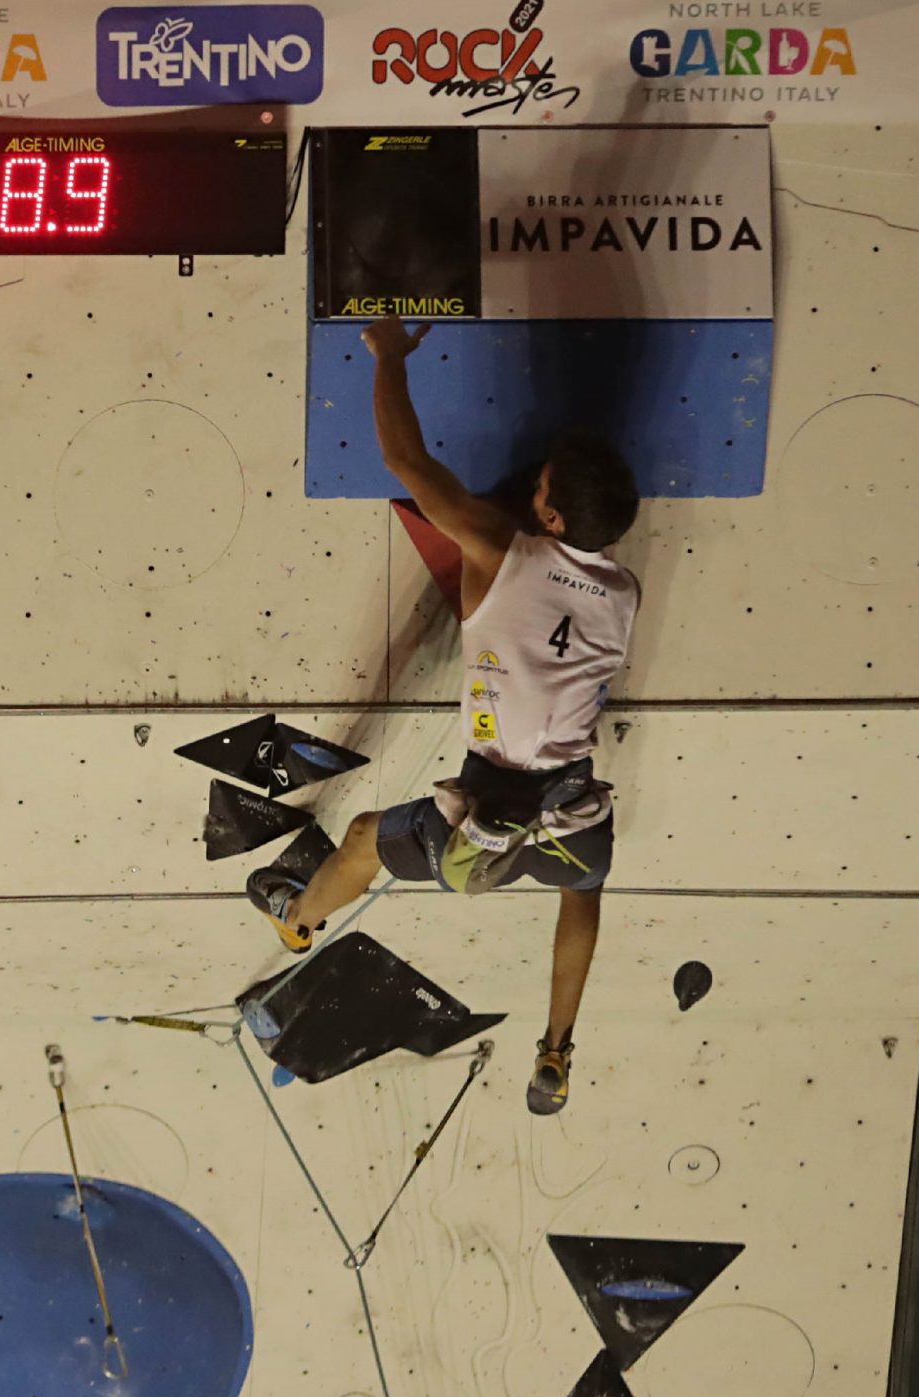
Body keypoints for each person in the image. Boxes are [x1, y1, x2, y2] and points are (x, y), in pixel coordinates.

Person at [249, 317, 641, 1117]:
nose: (533, 489)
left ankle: (297, 917)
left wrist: (390, 356)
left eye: (542, 488)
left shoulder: (503, 549)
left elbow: (406, 462)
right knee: (583, 890)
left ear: (553, 521)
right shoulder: (623, 592)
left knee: (365, 838)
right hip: (569, 798)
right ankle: (556, 1049)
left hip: (497, 792)